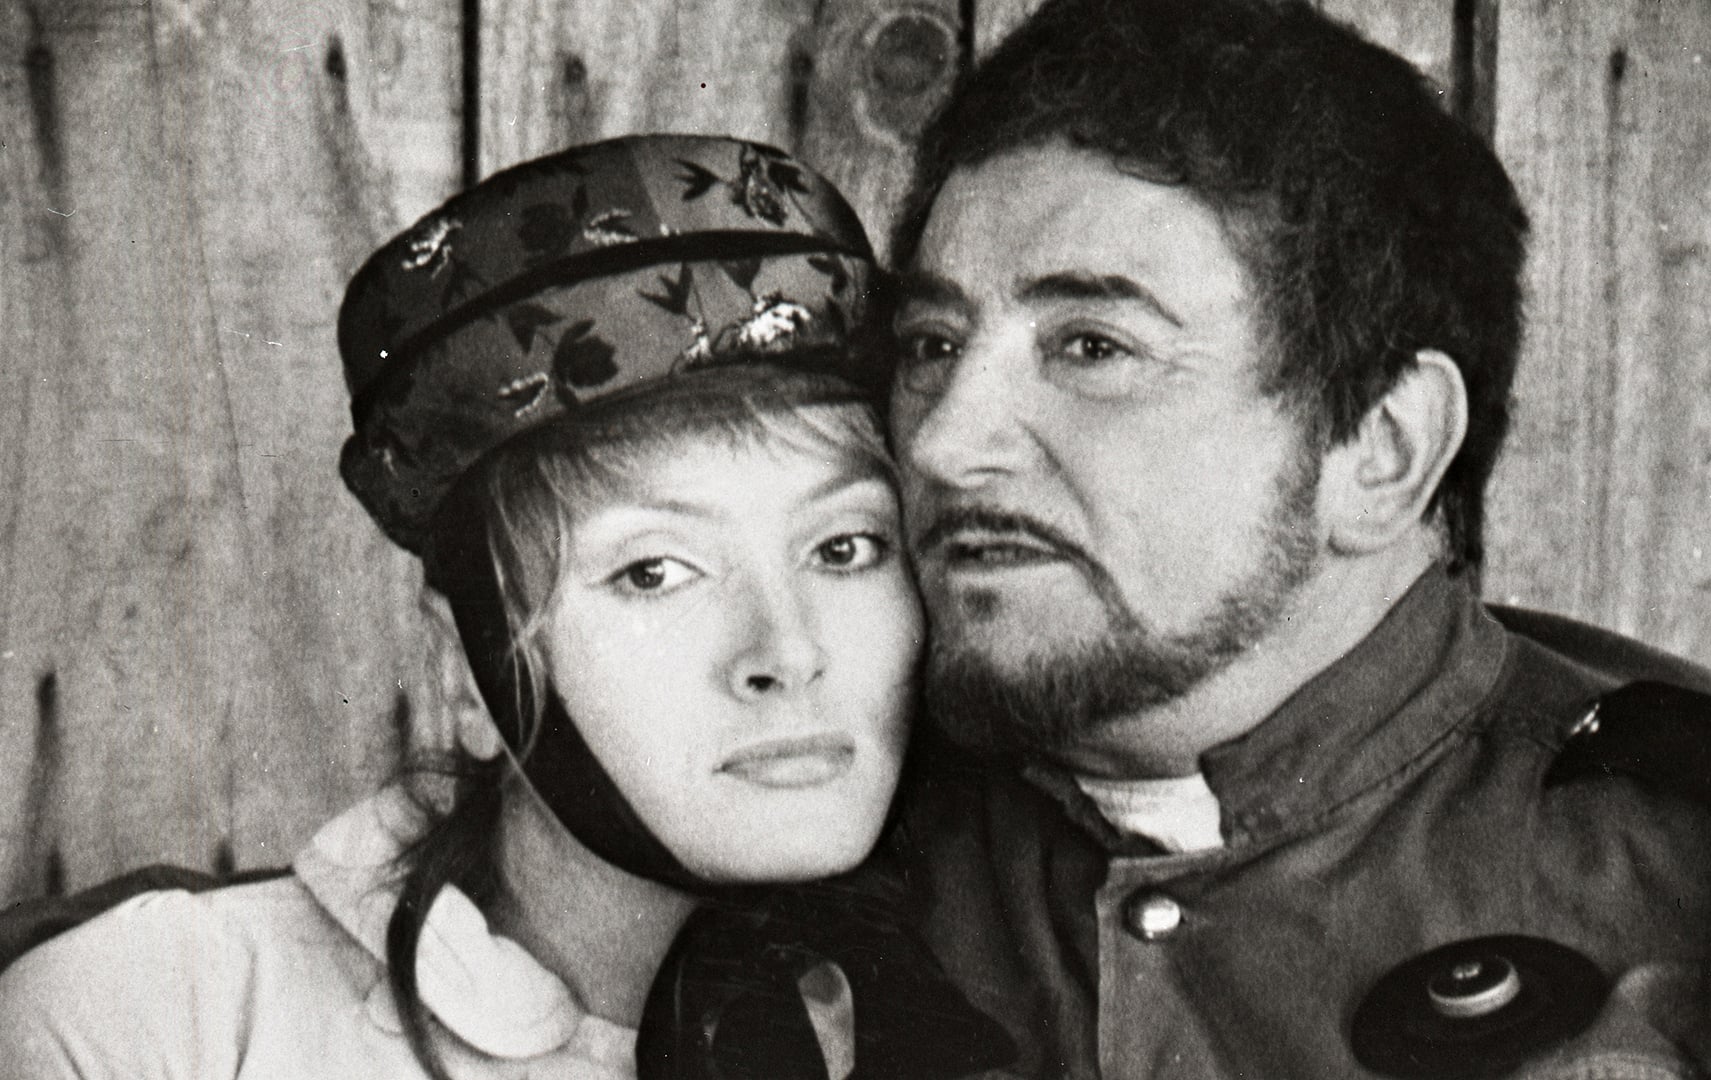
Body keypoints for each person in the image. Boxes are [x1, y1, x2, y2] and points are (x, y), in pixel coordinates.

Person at [879, 0, 1711, 1076]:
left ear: (1383, 448)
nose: (946, 443)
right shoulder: (840, 825)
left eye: (1093, 346)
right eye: (931, 344)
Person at [0, 134, 1007, 1080]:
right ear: (465, 670)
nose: (785, 650)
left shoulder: (1020, 1010)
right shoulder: (162, 1023)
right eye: (653, 571)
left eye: (844, 548)